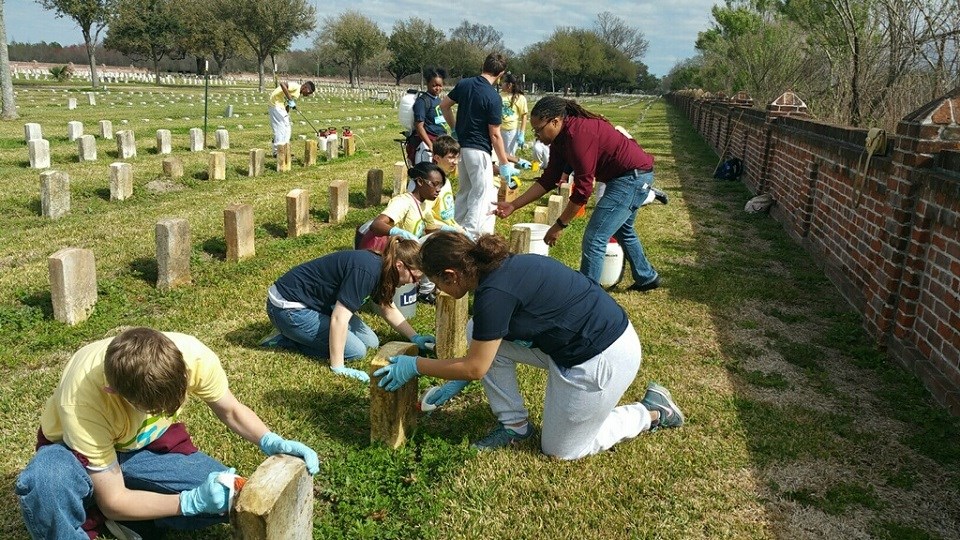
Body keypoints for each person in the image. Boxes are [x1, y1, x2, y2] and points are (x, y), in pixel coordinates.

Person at [373, 232, 684, 460]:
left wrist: (415, 365)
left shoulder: (494, 295)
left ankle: (651, 411)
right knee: (475, 331)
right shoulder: (500, 267)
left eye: (435, 281)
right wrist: (458, 375)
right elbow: (483, 353)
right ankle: (516, 425)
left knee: (562, 451)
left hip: (601, 356)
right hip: (578, 342)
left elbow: (476, 367)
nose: (436, 289)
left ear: (451, 275)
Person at [15, 327, 320, 539]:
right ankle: (85, 515)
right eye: (154, 411)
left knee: (234, 499)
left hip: (145, 449)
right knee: (47, 480)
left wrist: (271, 440)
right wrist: (187, 502)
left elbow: (230, 409)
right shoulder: (83, 398)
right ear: (113, 391)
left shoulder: (193, 355)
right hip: (75, 457)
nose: (164, 414)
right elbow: (114, 498)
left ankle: (123, 511)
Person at [494, 96, 662, 292]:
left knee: (595, 237)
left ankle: (585, 297)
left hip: (632, 179)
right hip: (629, 176)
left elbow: (583, 190)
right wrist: (514, 205)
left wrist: (559, 224)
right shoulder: (560, 139)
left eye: (538, 129)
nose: (537, 134)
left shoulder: (578, 135)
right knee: (622, 230)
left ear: (555, 121)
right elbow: (549, 178)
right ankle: (646, 277)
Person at [262, 237, 435, 383]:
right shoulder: (367, 271)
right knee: (356, 351)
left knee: (371, 342)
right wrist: (338, 367)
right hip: (288, 308)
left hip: (316, 306)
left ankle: (300, 333)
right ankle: (289, 338)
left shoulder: (383, 268)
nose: (415, 283)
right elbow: (339, 318)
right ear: (400, 266)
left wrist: (415, 337)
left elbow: (387, 308)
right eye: (416, 277)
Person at [439, 53, 529, 239]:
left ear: (483, 65)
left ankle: (453, 234)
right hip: (479, 151)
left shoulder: (464, 84)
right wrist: (504, 164)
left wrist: (454, 128)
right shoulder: (493, 97)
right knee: (481, 196)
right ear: (501, 73)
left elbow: (444, 106)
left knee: (464, 192)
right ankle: (469, 238)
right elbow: (495, 134)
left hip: (461, 150)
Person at [407, 68, 449, 165]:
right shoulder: (422, 101)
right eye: (434, 85)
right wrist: (429, 145)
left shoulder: (438, 101)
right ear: (428, 84)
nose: (437, 88)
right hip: (428, 141)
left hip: (440, 140)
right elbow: (419, 126)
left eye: (440, 85)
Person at [268, 80, 316, 157]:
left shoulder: (297, 93)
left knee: (287, 128)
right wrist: (290, 100)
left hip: (280, 106)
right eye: (309, 92)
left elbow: (287, 104)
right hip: (275, 104)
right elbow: (282, 84)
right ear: (305, 87)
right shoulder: (296, 86)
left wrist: (287, 110)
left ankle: (285, 149)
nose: (307, 95)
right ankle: (278, 152)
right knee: (280, 128)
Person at [499, 73, 529, 157]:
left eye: (503, 82)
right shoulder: (500, 95)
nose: (501, 84)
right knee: (498, 153)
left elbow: (524, 116)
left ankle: (509, 168)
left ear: (509, 85)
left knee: (508, 154)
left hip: (510, 131)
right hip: (498, 128)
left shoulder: (520, 98)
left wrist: (522, 133)